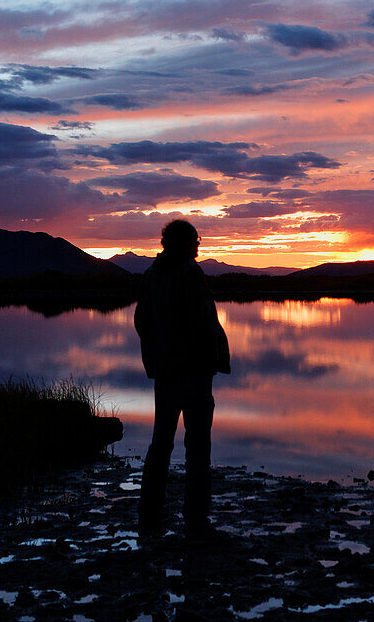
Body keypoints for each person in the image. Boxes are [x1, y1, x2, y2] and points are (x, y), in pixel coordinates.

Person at [134, 219, 230, 539]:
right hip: (193, 373)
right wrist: (210, 359)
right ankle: (197, 523)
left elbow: (142, 322)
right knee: (198, 446)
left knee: (161, 443)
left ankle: (148, 517)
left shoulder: (152, 275)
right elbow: (202, 323)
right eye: (196, 242)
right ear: (187, 244)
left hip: (166, 371)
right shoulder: (190, 273)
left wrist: (157, 356)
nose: (199, 247)